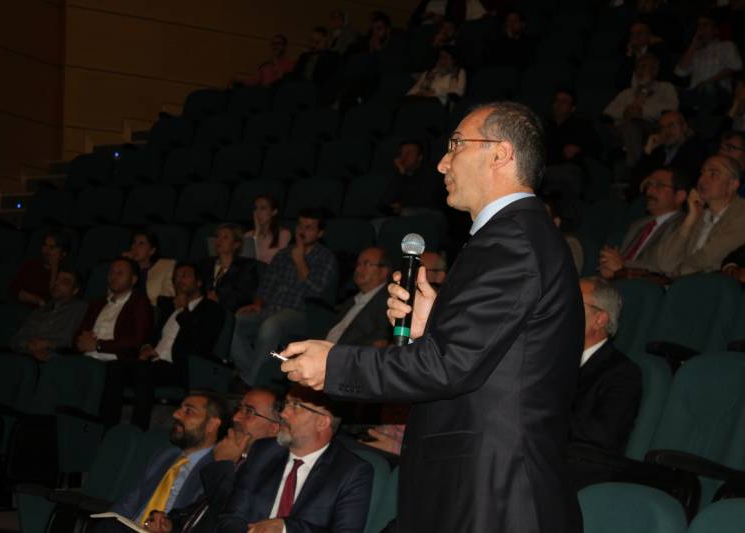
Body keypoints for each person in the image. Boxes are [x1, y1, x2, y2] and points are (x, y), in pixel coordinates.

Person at [280, 101, 584, 533]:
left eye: (456, 145)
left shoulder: (512, 240)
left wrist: (335, 363)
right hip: (479, 487)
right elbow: (490, 355)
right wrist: (433, 327)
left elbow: (450, 365)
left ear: (500, 153)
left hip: (496, 495)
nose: (442, 162)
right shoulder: (512, 237)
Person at [214, 386, 372, 533]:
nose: (283, 414)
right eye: (286, 404)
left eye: (296, 406)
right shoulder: (263, 451)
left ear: (322, 422)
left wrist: (285, 528)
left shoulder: (351, 472)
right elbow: (231, 517)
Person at [143, 389, 281, 533]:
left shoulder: (271, 474)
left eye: (249, 412)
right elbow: (201, 516)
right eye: (239, 409)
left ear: (274, 428)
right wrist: (171, 524)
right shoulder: (239, 461)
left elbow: (231, 519)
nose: (236, 418)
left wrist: (223, 464)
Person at [90, 392, 228, 533]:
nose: (176, 414)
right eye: (180, 409)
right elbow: (128, 503)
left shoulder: (216, 470)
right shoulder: (165, 456)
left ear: (212, 425)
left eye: (188, 411)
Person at [231, 208, 337, 386]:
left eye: (309, 228)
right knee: (233, 322)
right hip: (270, 309)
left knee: (271, 325)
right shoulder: (283, 254)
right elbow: (266, 286)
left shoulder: (325, 257)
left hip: (301, 313)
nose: (302, 231)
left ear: (319, 233)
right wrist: (257, 304)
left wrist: (300, 260)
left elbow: (315, 292)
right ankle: (253, 378)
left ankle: (254, 384)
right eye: (300, 226)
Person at [569, 277, 642, 489]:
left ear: (600, 320)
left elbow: (604, 434)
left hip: (580, 468)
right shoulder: (549, 358)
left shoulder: (622, 373)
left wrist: (546, 416)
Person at [133, 262, 225, 430]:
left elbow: (200, 345)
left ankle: (137, 428)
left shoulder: (211, 309)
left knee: (144, 372)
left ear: (199, 282)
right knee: (115, 369)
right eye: (176, 277)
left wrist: (184, 310)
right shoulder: (168, 307)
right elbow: (155, 337)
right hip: (155, 362)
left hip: (182, 367)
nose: (178, 280)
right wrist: (147, 347)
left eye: (184, 276)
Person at [74, 257, 154, 426]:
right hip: (87, 358)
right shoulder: (97, 303)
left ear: (133, 279)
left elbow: (137, 341)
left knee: (113, 373)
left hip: (116, 361)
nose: (113, 277)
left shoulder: (139, 303)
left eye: (120, 273)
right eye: (111, 273)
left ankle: (104, 429)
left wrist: (99, 345)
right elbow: (78, 334)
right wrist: (81, 341)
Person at [660, 154, 745, 276]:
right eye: (702, 173)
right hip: (681, 280)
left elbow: (712, 257)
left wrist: (677, 273)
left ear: (733, 184)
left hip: (710, 283)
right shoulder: (699, 214)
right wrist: (689, 220)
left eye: (713, 174)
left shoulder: (741, 213)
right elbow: (665, 263)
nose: (702, 179)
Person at [599, 167, 689, 279]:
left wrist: (622, 267)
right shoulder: (638, 224)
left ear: (680, 196)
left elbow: (665, 268)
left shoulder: (685, 226)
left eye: (659, 185)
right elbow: (621, 260)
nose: (649, 191)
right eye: (649, 185)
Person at [604, 54, 679, 167]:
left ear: (655, 71)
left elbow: (672, 108)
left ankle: (635, 166)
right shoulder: (627, 93)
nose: (639, 71)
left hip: (652, 126)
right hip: (623, 128)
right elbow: (608, 111)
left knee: (631, 126)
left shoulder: (665, 88)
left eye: (644, 67)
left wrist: (643, 111)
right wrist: (625, 111)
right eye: (637, 67)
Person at [10, 266, 87, 361]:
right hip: (26, 355)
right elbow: (16, 339)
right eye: (57, 279)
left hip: (57, 358)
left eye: (65, 282)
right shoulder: (41, 310)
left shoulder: (80, 308)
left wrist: (48, 344)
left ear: (75, 290)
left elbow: (76, 340)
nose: (57, 284)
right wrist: (29, 346)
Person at [675, 14, 743, 113]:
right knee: (672, 89)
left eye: (706, 24)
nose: (701, 28)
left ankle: (695, 105)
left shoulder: (727, 45)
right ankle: (695, 104)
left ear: (716, 30)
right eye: (699, 25)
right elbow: (680, 72)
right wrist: (693, 45)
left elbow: (735, 67)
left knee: (708, 88)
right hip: (695, 91)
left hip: (719, 91)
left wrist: (708, 82)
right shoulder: (695, 52)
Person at [325, 247, 391, 347]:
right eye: (358, 264)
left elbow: (381, 341)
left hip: (343, 353)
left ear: (383, 272)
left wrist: (337, 351)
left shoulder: (388, 301)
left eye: (366, 264)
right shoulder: (351, 300)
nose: (358, 269)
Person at [632, 110, 706, 191]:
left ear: (684, 127)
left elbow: (680, 180)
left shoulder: (695, 149)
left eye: (672, 125)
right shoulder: (658, 151)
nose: (666, 131)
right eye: (662, 128)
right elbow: (634, 181)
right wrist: (647, 150)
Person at [202, 223, 258, 313]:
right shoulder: (204, 264)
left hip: (227, 312)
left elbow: (243, 296)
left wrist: (219, 301)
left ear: (236, 244)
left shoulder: (246, 266)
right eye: (217, 237)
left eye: (225, 237)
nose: (219, 240)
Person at [9, 231, 70, 308]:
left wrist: (54, 269)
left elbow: (55, 298)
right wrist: (36, 300)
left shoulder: (65, 274)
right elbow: (14, 289)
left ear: (63, 254)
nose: (46, 250)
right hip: (18, 307)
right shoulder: (31, 265)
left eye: (52, 247)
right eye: (45, 245)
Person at [123, 229, 176, 307]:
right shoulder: (126, 267)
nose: (135, 247)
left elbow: (167, 296)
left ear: (152, 250)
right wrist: (124, 264)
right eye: (133, 243)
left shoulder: (167, 265)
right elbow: (114, 294)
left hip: (154, 310)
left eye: (141, 243)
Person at [244, 195, 292, 265]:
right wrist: (257, 232)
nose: (258, 212)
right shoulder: (248, 235)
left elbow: (280, 261)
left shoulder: (283, 234)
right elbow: (246, 260)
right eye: (255, 208)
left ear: (274, 212)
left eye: (263, 208)